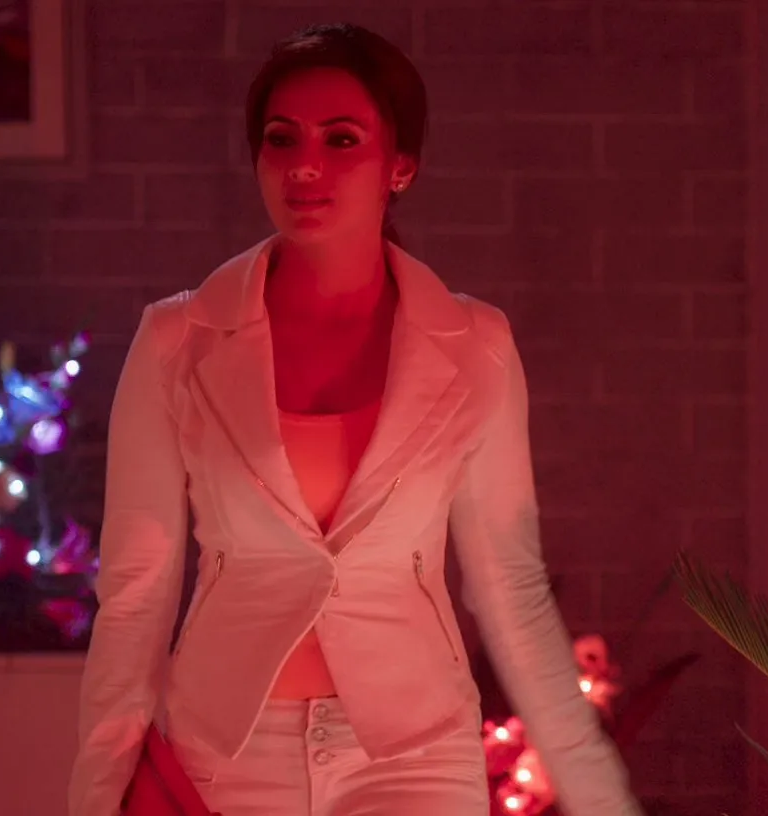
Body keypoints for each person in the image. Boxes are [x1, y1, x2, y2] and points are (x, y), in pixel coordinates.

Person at [67, 22, 642, 816]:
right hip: (230, 753)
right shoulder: (178, 340)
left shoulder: (474, 344)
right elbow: (135, 593)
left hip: (414, 755)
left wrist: (600, 799)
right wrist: (96, 797)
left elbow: (510, 587)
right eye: (281, 138)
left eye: (341, 139)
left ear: (399, 165)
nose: (304, 165)